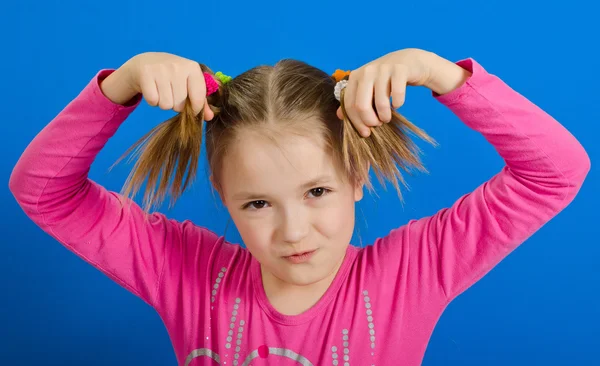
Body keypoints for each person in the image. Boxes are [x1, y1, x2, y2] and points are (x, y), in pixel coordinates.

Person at [9, 48, 590, 365]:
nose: (293, 230)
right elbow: (42, 192)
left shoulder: (413, 272)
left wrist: (439, 74)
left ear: (356, 175)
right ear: (224, 199)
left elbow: (556, 172)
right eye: (258, 202)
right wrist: (121, 86)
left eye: (317, 192)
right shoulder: (183, 270)